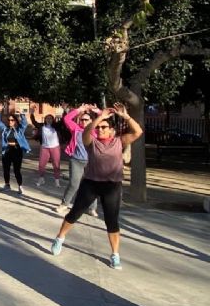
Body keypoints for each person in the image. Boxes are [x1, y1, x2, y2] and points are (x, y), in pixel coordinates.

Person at [50, 103, 143, 270]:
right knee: (74, 213)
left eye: (104, 127)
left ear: (112, 130)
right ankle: (59, 238)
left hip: (112, 186)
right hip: (91, 183)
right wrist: (100, 117)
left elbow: (138, 132)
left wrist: (126, 116)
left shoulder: (119, 141)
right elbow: (86, 132)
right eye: (98, 127)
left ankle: (115, 255)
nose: (100, 130)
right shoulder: (91, 142)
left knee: (111, 221)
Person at [56, 104, 100, 216]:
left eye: (86, 120)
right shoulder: (76, 129)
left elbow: (104, 119)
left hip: (91, 162)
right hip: (76, 160)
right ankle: (64, 204)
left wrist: (98, 111)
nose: (84, 121)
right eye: (82, 119)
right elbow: (66, 119)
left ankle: (91, 208)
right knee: (74, 184)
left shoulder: (95, 131)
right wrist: (79, 110)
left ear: (91, 120)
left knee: (92, 185)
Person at [0, 102, 31, 194]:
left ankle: (20, 186)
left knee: (17, 170)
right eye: (9, 120)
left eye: (12, 120)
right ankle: (7, 185)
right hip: (7, 150)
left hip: (17, 150)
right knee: (6, 169)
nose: (10, 121)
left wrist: (21, 114)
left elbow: (25, 123)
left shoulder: (20, 129)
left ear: (15, 121)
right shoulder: (5, 129)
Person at [30, 104, 62, 188]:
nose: (49, 120)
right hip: (44, 148)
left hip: (55, 147)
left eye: (50, 118)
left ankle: (57, 180)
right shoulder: (41, 127)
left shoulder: (56, 127)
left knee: (56, 165)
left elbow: (63, 121)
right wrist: (32, 113)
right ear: (45, 120)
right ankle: (41, 179)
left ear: (53, 120)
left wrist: (65, 110)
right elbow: (33, 122)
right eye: (47, 118)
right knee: (41, 165)